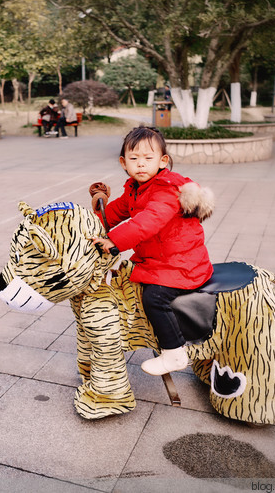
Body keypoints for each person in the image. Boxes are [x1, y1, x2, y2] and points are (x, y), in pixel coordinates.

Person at [90, 126, 214, 376]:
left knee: (154, 298)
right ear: (124, 163)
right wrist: (89, 224)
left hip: (180, 264)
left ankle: (174, 352)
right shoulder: (135, 188)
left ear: (163, 161)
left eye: (148, 158)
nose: (141, 165)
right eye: (134, 159)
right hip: (158, 259)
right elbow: (114, 212)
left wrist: (114, 240)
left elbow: (150, 220)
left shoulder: (167, 188)